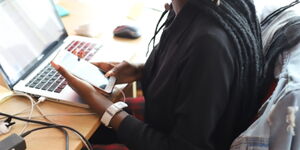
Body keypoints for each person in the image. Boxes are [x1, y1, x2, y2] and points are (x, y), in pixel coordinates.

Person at [51, 0, 264, 149]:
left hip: (170, 141)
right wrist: (143, 69)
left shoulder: (209, 45)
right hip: (164, 121)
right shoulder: (195, 8)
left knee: (62, 138)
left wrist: (103, 106)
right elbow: (188, 74)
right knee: (64, 121)